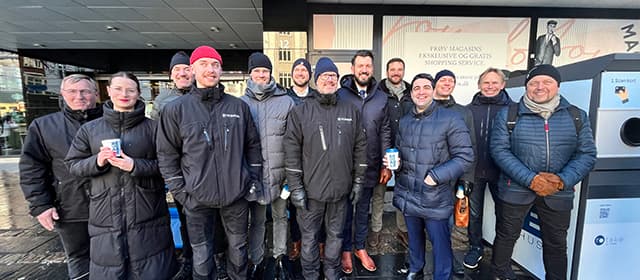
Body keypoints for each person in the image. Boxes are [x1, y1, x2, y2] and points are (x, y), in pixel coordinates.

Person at [156, 45, 262, 280]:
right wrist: (182, 193)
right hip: (196, 197)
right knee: (202, 255)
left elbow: (252, 147)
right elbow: (166, 155)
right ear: (192, 69)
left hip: (236, 195)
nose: (210, 69)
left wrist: (251, 181)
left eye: (215, 64)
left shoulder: (238, 107)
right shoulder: (176, 110)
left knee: (238, 250)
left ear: (221, 70)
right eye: (203, 64)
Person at [65, 72, 177, 279]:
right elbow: (73, 165)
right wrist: (97, 161)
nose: (124, 94)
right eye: (118, 88)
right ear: (108, 91)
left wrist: (135, 165)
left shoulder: (153, 128)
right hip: (105, 213)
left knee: (151, 269)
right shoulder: (90, 129)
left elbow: (169, 165)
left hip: (148, 211)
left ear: (138, 93)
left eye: (130, 90)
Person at [490, 64, 597, 280]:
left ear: (557, 85)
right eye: (533, 83)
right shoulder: (509, 115)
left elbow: (587, 154)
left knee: (556, 244)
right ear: (526, 87)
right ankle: (499, 274)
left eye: (546, 82)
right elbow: (500, 151)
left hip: (558, 193)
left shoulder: (576, 116)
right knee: (506, 236)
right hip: (516, 190)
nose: (540, 87)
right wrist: (531, 179)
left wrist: (561, 180)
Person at [149, 51, 229, 280]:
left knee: (215, 224)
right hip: (185, 176)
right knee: (186, 221)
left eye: (186, 68)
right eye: (178, 70)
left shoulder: (207, 98)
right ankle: (189, 259)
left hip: (210, 174)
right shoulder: (164, 101)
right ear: (171, 74)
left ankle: (217, 258)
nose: (183, 73)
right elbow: (162, 142)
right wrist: (173, 179)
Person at [285, 57, 367, 280]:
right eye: (324, 76)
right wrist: (296, 188)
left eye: (333, 76)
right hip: (311, 192)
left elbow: (360, 147)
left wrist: (359, 180)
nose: (329, 80)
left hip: (341, 190)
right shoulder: (301, 112)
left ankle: (332, 272)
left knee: (335, 235)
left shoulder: (350, 111)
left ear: (338, 80)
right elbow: (291, 152)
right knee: (310, 237)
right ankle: (310, 274)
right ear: (316, 80)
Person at [389, 73, 473, 280]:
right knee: (415, 239)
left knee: (440, 242)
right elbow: (400, 151)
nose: (421, 92)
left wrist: (435, 176)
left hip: (434, 195)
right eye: (416, 88)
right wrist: (396, 165)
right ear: (411, 93)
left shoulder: (451, 118)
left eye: (426, 87)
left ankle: (442, 275)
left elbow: (465, 156)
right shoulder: (406, 120)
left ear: (433, 91)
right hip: (409, 193)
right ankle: (416, 267)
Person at [19, 74, 102, 280]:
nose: (79, 96)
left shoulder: (111, 121)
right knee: (79, 260)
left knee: (115, 258)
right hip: (70, 207)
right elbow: (32, 168)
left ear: (95, 94)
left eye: (85, 91)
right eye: (72, 92)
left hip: (109, 205)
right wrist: (41, 205)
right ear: (62, 95)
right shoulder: (43, 126)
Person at [240, 52, 295, 279]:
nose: (261, 75)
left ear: (271, 74)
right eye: (257, 71)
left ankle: (280, 257)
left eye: (265, 71)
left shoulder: (286, 101)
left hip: (280, 174)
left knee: (282, 217)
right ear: (250, 74)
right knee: (257, 220)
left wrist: (292, 174)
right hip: (254, 175)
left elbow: (294, 140)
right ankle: (256, 259)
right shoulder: (241, 103)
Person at [337, 50, 391, 274]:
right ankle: (346, 250)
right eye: (360, 65)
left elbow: (385, 130)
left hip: (370, 164)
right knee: (345, 210)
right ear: (352, 69)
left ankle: (360, 247)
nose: (364, 69)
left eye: (368, 65)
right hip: (344, 166)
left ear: (372, 69)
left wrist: (386, 163)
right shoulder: (341, 94)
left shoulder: (381, 97)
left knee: (362, 210)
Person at [463, 68, 513, 270]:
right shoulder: (468, 110)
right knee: (474, 215)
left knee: (505, 213)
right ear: (479, 85)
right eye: (486, 83)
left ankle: (502, 255)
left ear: (502, 85)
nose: (490, 86)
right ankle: (476, 247)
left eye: (494, 83)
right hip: (475, 171)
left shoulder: (513, 110)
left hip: (503, 173)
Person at [432, 69, 476, 274]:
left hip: (450, 178)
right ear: (435, 83)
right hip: (425, 175)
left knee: (448, 224)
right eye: (443, 80)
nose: (447, 83)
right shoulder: (424, 107)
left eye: (451, 80)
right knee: (418, 225)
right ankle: (415, 261)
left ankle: (448, 261)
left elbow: (470, 147)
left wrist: (466, 178)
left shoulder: (463, 112)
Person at [371, 57, 413, 249]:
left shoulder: (412, 93)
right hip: (384, 149)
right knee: (379, 192)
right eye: (392, 69)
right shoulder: (378, 93)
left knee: (403, 193)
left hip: (407, 151)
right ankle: (376, 230)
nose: (396, 72)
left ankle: (402, 230)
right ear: (387, 71)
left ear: (403, 71)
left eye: (399, 69)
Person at [285, 57, 319, 261]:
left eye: (304, 70)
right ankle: (296, 244)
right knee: (295, 205)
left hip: (316, 160)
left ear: (309, 75)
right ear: (292, 74)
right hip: (295, 159)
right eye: (297, 70)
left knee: (317, 205)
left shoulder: (316, 97)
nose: (300, 73)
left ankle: (319, 245)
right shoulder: (284, 97)